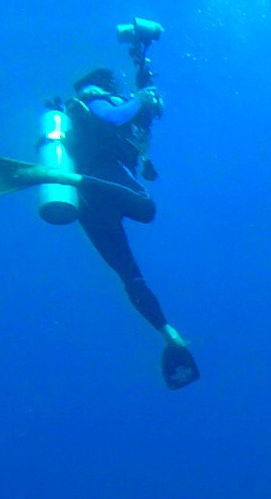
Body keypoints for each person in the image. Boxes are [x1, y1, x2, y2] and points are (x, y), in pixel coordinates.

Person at [63, 66, 199, 389]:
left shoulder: (88, 117)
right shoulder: (92, 100)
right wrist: (140, 98)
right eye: (116, 83)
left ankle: (167, 332)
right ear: (105, 83)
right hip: (100, 180)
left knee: (130, 275)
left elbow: (135, 133)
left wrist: (145, 102)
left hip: (89, 203)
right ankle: (85, 182)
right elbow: (114, 117)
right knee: (146, 209)